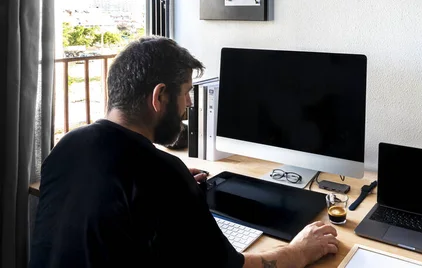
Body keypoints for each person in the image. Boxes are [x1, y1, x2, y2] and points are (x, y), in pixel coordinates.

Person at [30, 36, 339, 268]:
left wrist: (170, 188)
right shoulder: (162, 173)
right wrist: (299, 252)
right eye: (187, 92)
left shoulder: (67, 145)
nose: (190, 104)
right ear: (160, 96)